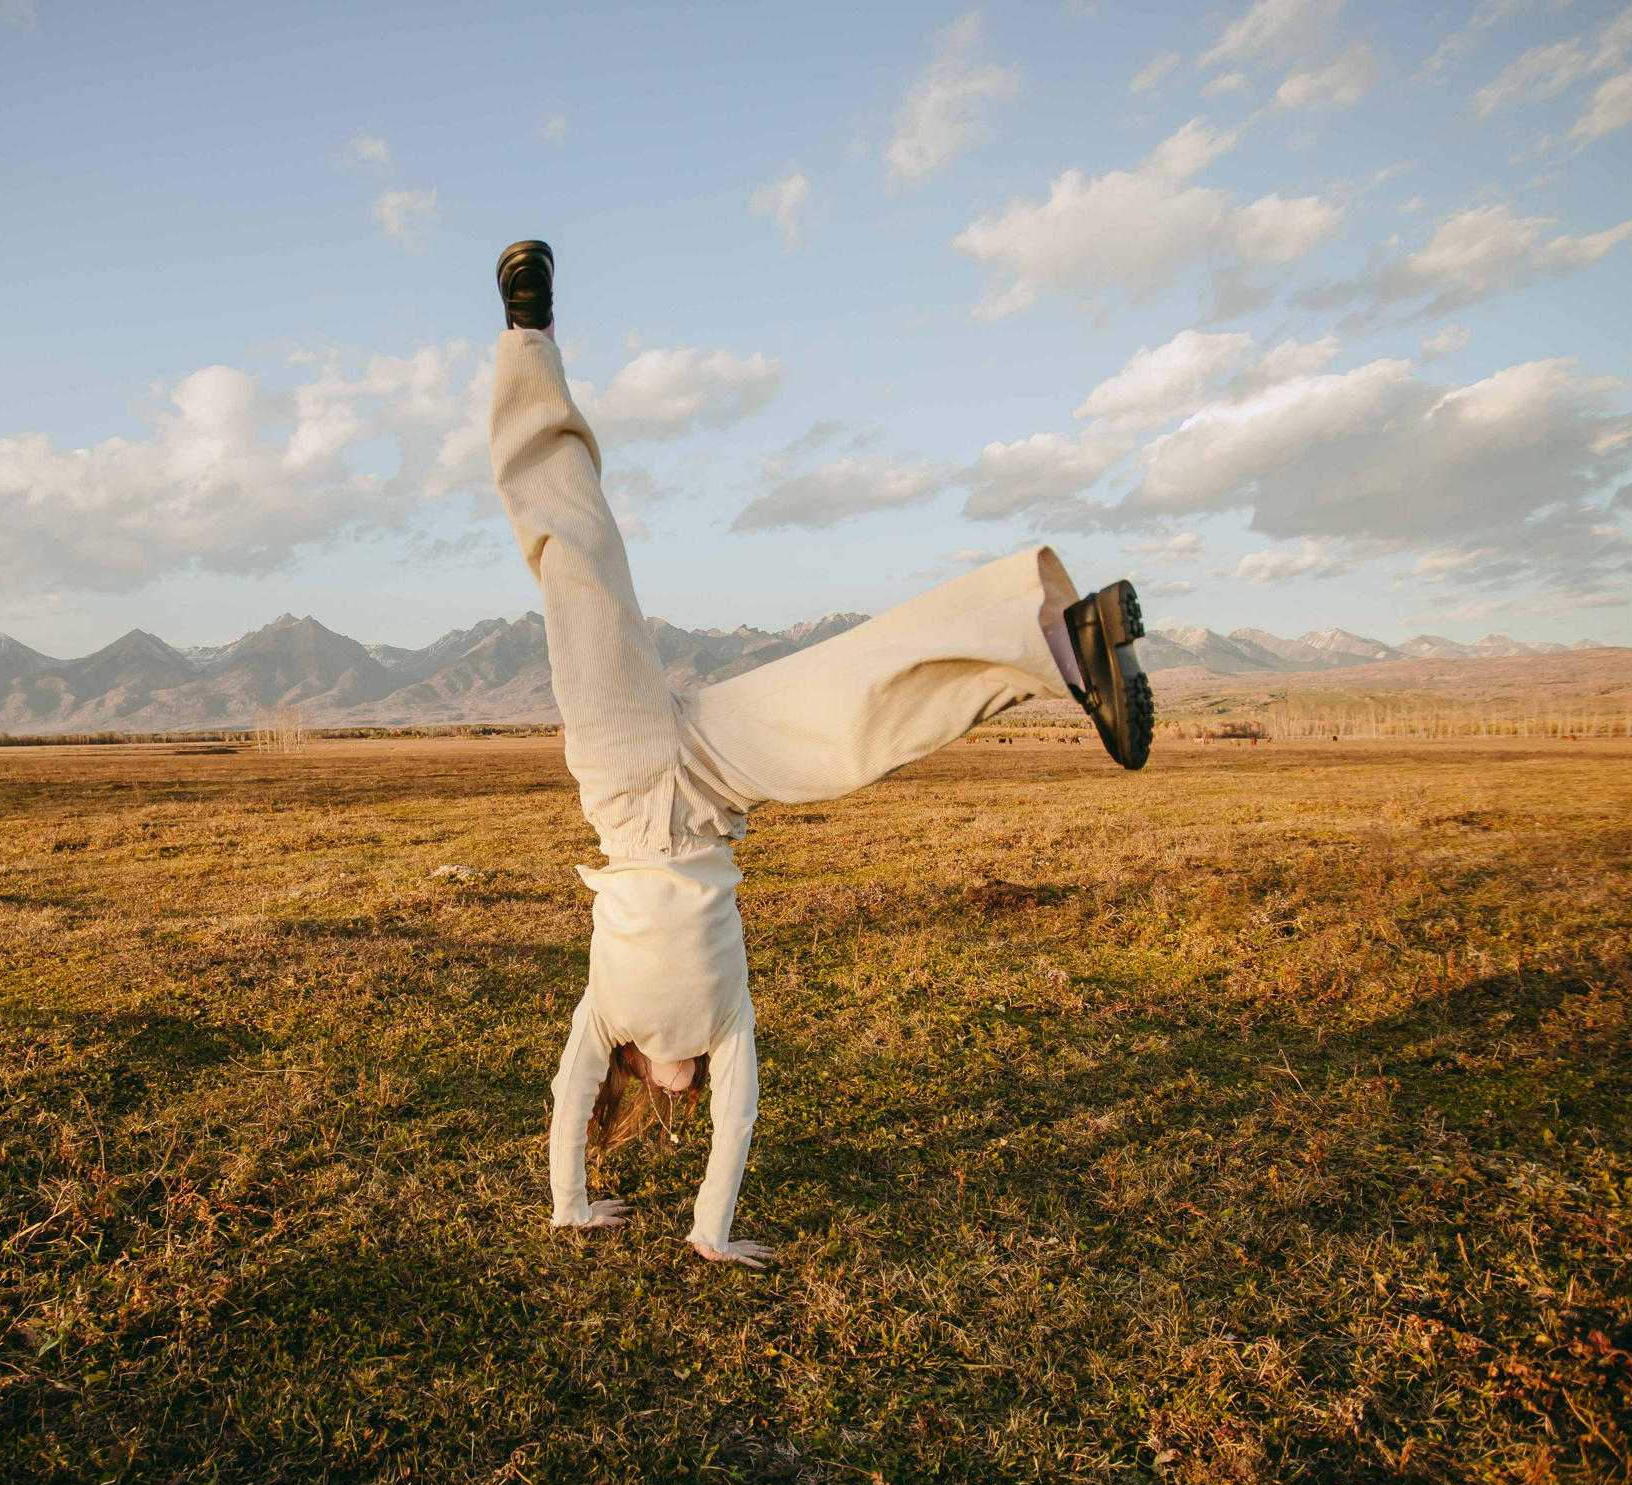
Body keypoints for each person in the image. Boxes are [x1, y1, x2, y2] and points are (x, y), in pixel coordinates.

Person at [490, 239, 1151, 1270]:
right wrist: (707, 1233)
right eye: (689, 1099)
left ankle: (526, 336)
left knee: (575, 561)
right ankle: (1060, 641)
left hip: (622, 789)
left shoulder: (602, 1017)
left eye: (659, 1097)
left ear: (630, 1071)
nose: (685, 1098)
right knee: (856, 720)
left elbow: (568, 1097)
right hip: (711, 789)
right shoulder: (724, 1033)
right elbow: (737, 1129)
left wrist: (569, 1205)